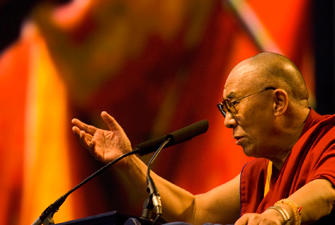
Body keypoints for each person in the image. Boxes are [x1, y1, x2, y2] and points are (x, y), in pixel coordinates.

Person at [71, 52, 335, 225]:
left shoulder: (328, 136)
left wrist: (279, 214)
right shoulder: (262, 171)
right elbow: (195, 210)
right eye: (224, 109)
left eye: (233, 105)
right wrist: (129, 162)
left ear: (278, 102)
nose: (227, 121)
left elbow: (326, 191)